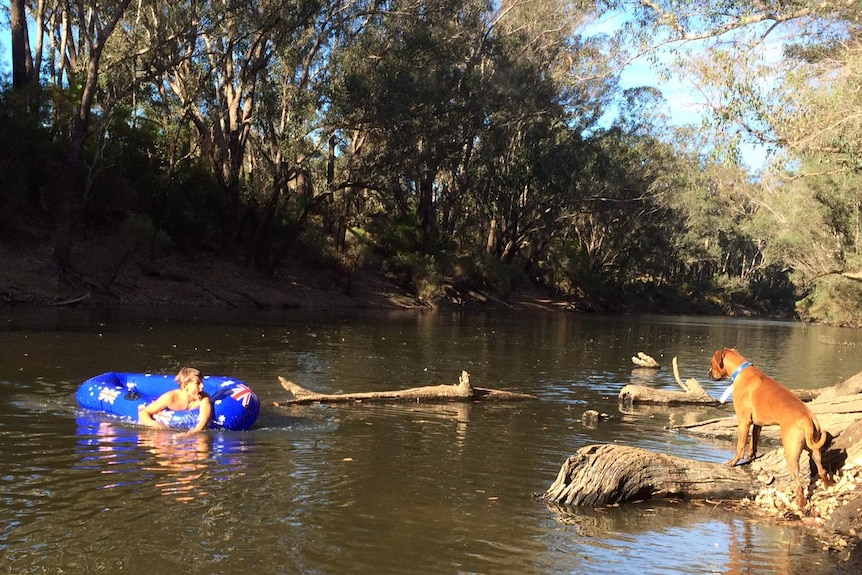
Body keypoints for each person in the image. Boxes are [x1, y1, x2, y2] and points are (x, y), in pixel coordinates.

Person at [138, 367, 212, 433]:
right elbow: (144, 412)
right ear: (185, 386)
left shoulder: (204, 398)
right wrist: (154, 424)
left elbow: (204, 420)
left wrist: (190, 434)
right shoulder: (170, 398)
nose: (202, 386)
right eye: (198, 383)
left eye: (202, 382)